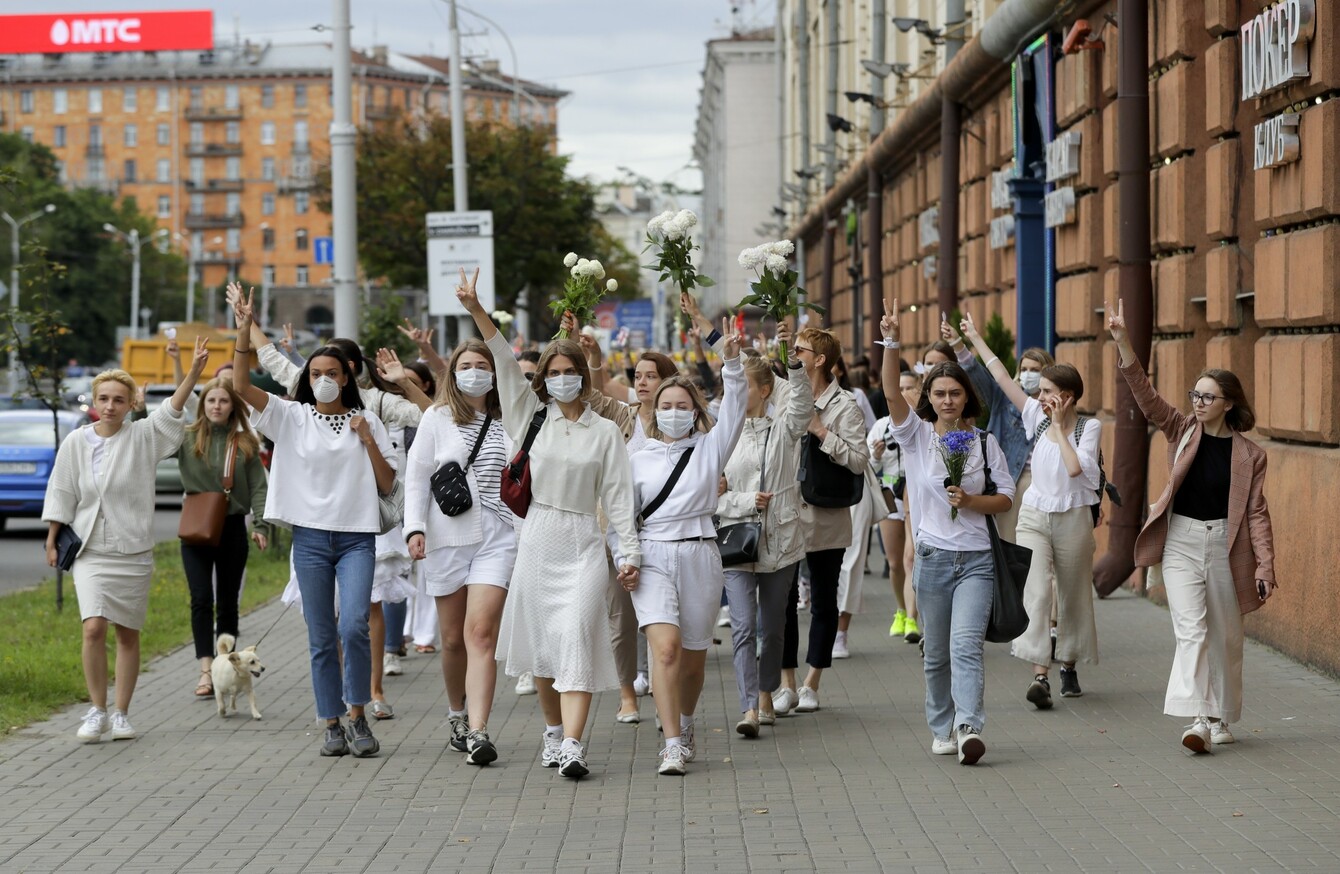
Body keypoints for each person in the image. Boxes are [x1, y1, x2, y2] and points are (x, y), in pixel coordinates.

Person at [458, 269, 640, 780]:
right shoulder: (529, 417)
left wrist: (629, 554)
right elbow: (502, 363)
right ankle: (553, 731)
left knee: (579, 635)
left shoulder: (605, 432)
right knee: (542, 648)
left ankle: (576, 746)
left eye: (571, 371)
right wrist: (477, 310)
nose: (563, 378)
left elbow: (620, 499)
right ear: (544, 379)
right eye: (554, 372)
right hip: (537, 538)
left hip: (584, 539)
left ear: (584, 375)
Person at [231, 289, 397, 758]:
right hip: (309, 541)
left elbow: (387, 486)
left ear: (347, 378)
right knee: (322, 636)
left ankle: (359, 715)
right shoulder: (291, 417)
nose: (325, 380)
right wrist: (244, 332)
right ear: (309, 378)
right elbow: (242, 386)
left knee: (354, 627)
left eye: (333, 373)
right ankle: (331, 723)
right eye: (317, 374)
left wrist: (367, 440)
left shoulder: (367, 420)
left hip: (357, 539)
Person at [1107, 298, 1276, 753]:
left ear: (1228, 403)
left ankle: (1221, 715)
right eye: (1195, 395)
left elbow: (1257, 513)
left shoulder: (1250, 455)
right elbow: (1145, 396)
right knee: (1192, 630)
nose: (1198, 402)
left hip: (1225, 544)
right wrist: (1123, 341)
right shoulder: (1180, 428)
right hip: (1180, 540)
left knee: (1226, 636)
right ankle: (1198, 717)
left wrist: (1264, 565)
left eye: (1207, 396)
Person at [43, 340, 211, 743]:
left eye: (120, 399)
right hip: (89, 549)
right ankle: (96, 709)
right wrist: (52, 538)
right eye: (104, 398)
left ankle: (121, 713)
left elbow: (172, 410)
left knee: (127, 633)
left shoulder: (143, 437)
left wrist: (192, 372)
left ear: (130, 402)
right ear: (96, 400)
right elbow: (62, 490)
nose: (112, 405)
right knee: (93, 628)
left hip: (132, 549)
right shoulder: (76, 442)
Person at [880, 298, 1013, 765]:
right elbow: (892, 395)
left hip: (976, 559)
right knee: (935, 653)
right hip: (934, 560)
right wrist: (891, 340)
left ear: (966, 398)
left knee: (965, 646)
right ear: (930, 400)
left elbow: (1007, 498)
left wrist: (972, 502)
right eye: (939, 394)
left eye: (955, 393)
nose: (948, 400)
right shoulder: (916, 437)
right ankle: (942, 725)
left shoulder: (984, 442)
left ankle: (968, 726)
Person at [960, 314, 1101, 708]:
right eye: (1039, 392)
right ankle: (1040, 675)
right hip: (1035, 514)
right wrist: (974, 338)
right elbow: (1002, 377)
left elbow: (1075, 469)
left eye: (1049, 391)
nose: (1039, 398)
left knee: (1072, 596)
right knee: (1036, 593)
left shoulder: (1088, 428)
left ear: (1069, 397)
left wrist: (1058, 426)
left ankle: (1068, 664)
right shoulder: (1034, 414)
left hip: (1073, 516)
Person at [628, 312, 745, 775]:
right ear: (654, 410)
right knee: (667, 649)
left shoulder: (710, 448)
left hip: (700, 551)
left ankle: (687, 720)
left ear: (695, 411)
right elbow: (623, 517)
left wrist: (730, 360)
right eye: (666, 405)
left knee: (693, 658)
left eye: (682, 405)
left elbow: (735, 406)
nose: (673, 412)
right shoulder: (636, 457)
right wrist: (626, 557)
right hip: (653, 554)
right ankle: (671, 741)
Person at [404, 338, 517, 766]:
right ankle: (457, 713)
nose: (474, 371)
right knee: (452, 639)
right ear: (453, 373)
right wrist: (414, 528)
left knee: (480, 635)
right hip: (447, 539)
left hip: (499, 538)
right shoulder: (438, 418)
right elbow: (416, 477)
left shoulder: (511, 418)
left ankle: (480, 729)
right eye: (465, 365)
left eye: (481, 364)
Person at [718, 325, 812, 736]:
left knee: (771, 629)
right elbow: (709, 496)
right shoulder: (722, 436)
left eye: (744, 385)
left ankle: (768, 690)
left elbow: (804, 406)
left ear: (763, 391)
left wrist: (792, 358)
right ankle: (749, 707)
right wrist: (742, 501)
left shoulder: (784, 429)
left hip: (780, 541)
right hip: (737, 542)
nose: (736, 391)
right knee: (742, 626)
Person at [790, 326, 870, 713]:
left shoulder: (846, 405)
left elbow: (858, 459)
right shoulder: (788, 394)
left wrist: (822, 432)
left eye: (800, 350)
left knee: (823, 602)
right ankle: (785, 680)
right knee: (784, 601)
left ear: (819, 359)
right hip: (787, 514)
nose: (793, 355)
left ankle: (812, 680)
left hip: (826, 516)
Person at [176, 377, 271, 700]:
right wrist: (135, 414)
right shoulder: (187, 438)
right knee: (201, 598)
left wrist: (261, 525)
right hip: (196, 527)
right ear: (202, 405)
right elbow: (149, 441)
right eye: (211, 401)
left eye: (223, 401)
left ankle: (226, 665)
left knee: (228, 602)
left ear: (233, 406)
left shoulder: (244, 442)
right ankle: (206, 669)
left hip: (231, 528)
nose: (216, 406)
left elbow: (259, 486)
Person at [944, 317, 1054, 542]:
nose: (1028, 374)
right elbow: (980, 374)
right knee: (1009, 544)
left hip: (1049, 483)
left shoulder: (1056, 406)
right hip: (1013, 479)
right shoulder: (1005, 398)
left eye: (1035, 369)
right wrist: (959, 344)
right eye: (1024, 369)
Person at [870, 365, 921, 642]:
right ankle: (900, 611)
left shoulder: (923, 423)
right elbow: (867, 462)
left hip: (915, 496)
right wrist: (876, 456)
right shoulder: (881, 425)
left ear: (919, 389)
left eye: (908, 388)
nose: (902, 394)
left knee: (911, 557)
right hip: (889, 495)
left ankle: (912, 617)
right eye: (897, 388)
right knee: (894, 563)